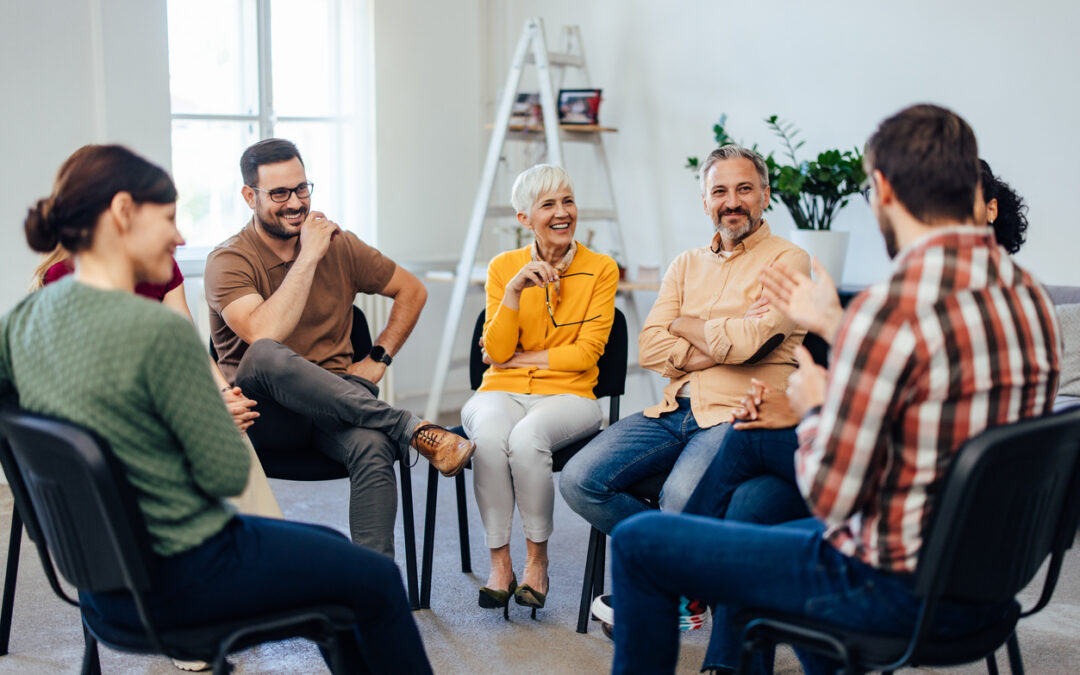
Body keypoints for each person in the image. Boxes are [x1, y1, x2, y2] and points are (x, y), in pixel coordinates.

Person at [606, 104, 1060, 675]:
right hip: (986, 576)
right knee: (750, 506)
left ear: (886, 192)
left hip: (889, 584)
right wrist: (834, 339)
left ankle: (686, 584)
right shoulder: (1028, 294)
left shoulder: (889, 309)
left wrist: (817, 405)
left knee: (642, 542)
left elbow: (834, 496)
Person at [1, 144, 432, 673]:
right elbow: (225, 471)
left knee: (328, 556)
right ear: (121, 215)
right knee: (374, 578)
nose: (180, 236)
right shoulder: (158, 332)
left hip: (98, 587)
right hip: (189, 575)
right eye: (169, 219)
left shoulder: (22, 321)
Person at [204, 138, 474, 558]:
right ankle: (410, 427)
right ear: (249, 196)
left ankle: (374, 585)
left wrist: (379, 358)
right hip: (267, 417)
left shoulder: (340, 244)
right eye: (279, 194)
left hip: (337, 404)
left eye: (302, 189)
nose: (295, 203)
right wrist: (308, 256)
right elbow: (264, 332)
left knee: (371, 445)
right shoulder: (229, 260)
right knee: (263, 353)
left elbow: (412, 290)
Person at [559, 144, 810, 536]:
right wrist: (726, 340)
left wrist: (685, 323)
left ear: (765, 195)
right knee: (579, 480)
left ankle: (669, 576)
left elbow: (751, 344)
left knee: (680, 500)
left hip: (737, 414)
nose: (732, 202)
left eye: (744, 189)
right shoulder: (686, 263)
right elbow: (650, 348)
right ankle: (674, 572)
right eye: (719, 192)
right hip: (672, 410)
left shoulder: (789, 260)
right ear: (705, 201)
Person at [461, 164, 618, 617]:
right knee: (489, 435)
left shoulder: (600, 269)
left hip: (571, 396)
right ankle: (500, 565)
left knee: (528, 438)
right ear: (524, 218)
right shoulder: (502, 268)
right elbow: (495, 349)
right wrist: (511, 293)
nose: (562, 212)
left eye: (567, 200)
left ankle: (537, 563)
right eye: (548, 204)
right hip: (501, 391)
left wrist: (520, 359)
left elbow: (586, 354)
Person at [32, 248, 282, 527]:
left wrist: (225, 394)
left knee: (232, 425)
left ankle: (247, 540)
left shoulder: (163, 266)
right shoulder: (68, 275)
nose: (178, 236)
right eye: (164, 218)